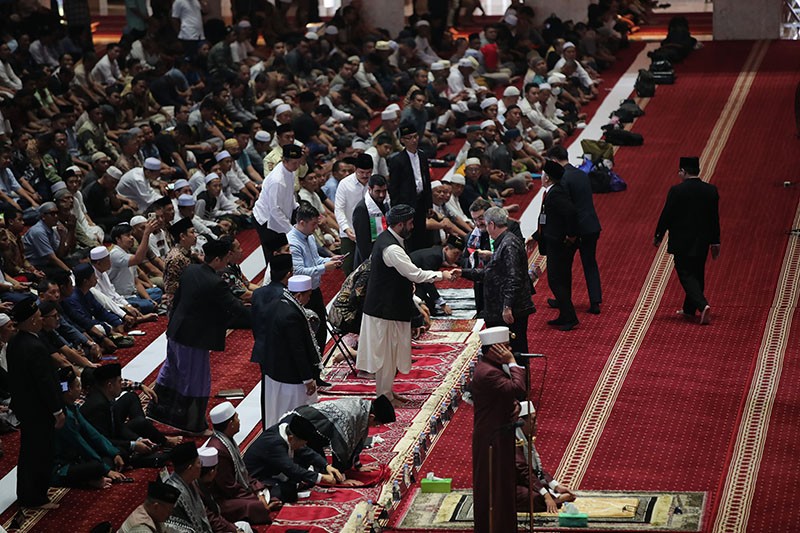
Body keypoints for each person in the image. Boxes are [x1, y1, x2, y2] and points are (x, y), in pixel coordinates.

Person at [357, 205, 458, 406]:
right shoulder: (392, 248)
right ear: (400, 224)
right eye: (410, 223)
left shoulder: (394, 240)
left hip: (391, 307)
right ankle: (384, 397)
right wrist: (442, 275)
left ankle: (388, 393)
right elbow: (415, 274)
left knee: (392, 354)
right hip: (384, 310)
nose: (412, 227)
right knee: (386, 356)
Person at [148, 239, 249, 435]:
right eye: (226, 257)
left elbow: (177, 300)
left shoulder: (191, 270)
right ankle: (193, 425)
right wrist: (261, 315)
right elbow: (235, 308)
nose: (228, 261)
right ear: (218, 259)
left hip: (176, 330)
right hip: (193, 338)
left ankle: (157, 411)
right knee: (196, 380)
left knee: (171, 370)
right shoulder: (215, 282)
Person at [7, 297, 65, 510]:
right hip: (39, 410)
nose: (41, 320)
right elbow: (45, 383)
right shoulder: (34, 346)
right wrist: (57, 410)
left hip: (25, 407)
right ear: (32, 320)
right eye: (39, 317)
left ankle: (29, 492)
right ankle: (35, 497)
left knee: (30, 452)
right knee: (40, 452)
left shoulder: (15, 342)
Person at [471, 326, 527, 533]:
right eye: (505, 347)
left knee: (503, 486)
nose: (509, 349)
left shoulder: (492, 368)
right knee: (495, 488)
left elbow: (509, 397)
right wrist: (512, 361)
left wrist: (515, 406)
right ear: (495, 349)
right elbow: (519, 389)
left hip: (500, 433)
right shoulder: (489, 373)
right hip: (492, 439)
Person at [654, 156, 720, 325]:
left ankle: (702, 304)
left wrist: (659, 235)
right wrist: (715, 241)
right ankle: (689, 309)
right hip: (703, 240)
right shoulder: (710, 190)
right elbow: (714, 219)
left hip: (682, 240)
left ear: (683, 171)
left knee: (685, 273)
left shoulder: (677, 191)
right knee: (698, 272)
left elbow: (666, 214)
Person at [462, 207, 535, 352]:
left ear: (492, 225)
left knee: (514, 348)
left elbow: (514, 278)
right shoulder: (505, 242)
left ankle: (518, 374)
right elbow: (490, 273)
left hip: (511, 308)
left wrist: (507, 306)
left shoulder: (508, 244)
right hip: (504, 306)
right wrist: (462, 272)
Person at [253, 274, 320, 429]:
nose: (309, 299)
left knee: (276, 409)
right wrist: (308, 379)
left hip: (274, 368)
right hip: (289, 375)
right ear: (299, 295)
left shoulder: (278, 303)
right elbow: (298, 349)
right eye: (308, 295)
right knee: (292, 414)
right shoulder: (292, 315)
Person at [80, 363, 177, 468]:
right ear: (109, 386)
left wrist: (138, 439)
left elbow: (119, 427)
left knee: (140, 422)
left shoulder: (105, 397)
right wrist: (132, 445)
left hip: (111, 437)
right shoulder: (97, 406)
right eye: (120, 381)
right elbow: (103, 440)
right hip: (99, 446)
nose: (122, 384)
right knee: (119, 455)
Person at [53, 366, 127, 490]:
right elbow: (80, 444)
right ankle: (89, 481)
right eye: (77, 386)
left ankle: (94, 476)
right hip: (60, 467)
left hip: (76, 458)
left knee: (116, 454)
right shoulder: (65, 416)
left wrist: (114, 452)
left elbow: (93, 433)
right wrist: (105, 469)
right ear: (69, 390)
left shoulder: (72, 408)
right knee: (97, 467)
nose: (81, 389)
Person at [547, 146, 602, 314]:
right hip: (592, 225)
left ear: (554, 161)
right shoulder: (581, 173)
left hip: (575, 230)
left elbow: (567, 209)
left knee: (563, 266)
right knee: (590, 263)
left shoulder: (563, 179)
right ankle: (595, 301)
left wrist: (569, 234)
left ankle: (564, 300)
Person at [206, 402, 278, 524]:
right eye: (237, 418)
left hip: (236, 490)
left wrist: (258, 491)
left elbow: (242, 473)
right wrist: (256, 498)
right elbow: (228, 487)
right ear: (230, 424)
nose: (239, 421)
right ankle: (263, 507)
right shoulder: (218, 450)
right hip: (221, 499)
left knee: (272, 489)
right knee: (254, 506)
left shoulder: (227, 441)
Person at [243, 414, 343, 502]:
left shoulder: (289, 433)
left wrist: (326, 466)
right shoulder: (275, 443)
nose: (302, 446)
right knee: (288, 493)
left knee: (304, 465)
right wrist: (322, 478)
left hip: (274, 469)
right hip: (256, 479)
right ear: (291, 438)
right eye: (302, 444)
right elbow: (291, 468)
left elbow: (306, 451)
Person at [287, 203, 345, 354]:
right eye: (313, 224)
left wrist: (330, 260)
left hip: (314, 289)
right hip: (302, 294)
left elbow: (316, 260)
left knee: (321, 330)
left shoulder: (309, 236)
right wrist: (325, 267)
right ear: (302, 223)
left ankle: (318, 366)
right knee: (309, 333)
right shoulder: (293, 242)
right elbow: (298, 271)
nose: (316, 228)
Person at [282, 395, 395, 472]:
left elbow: (356, 438)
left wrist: (358, 465)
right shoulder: (350, 416)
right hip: (298, 428)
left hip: (313, 426)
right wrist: (341, 476)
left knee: (325, 466)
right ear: (372, 417)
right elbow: (340, 444)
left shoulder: (363, 409)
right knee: (323, 472)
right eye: (377, 424)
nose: (376, 427)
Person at [532, 161, 579, 331]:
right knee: (561, 279)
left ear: (548, 178)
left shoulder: (556, 194)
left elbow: (571, 213)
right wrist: (535, 236)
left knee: (556, 280)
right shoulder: (552, 193)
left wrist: (571, 236)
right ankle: (565, 314)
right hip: (554, 241)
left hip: (559, 244)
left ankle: (570, 316)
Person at [514, 401, 575, 514]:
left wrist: (557, 486)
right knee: (535, 498)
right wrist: (547, 496)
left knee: (543, 489)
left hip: (522, 481)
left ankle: (555, 496)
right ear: (521, 422)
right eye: (533, 420)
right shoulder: (513, 442)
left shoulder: (525, 440)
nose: (536, 424)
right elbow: (523, 472)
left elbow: (537, 470)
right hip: (507, 485)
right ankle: (556, 499)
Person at [252, 144, 303, 267]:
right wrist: (290, 229)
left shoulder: (289, 171)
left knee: (284, 251)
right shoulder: (277, 180)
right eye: (294, 163)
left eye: (298, 162)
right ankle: (271, 281)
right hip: (266, 220)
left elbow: (290, 194)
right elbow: (275, 210)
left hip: (280, 216)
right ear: (284, 160)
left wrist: (297, 208)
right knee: (274, 256)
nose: (297, 166)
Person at [388, 126, 433, 251]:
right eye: (409, 138)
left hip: (421, 200)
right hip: (406, 203)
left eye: (415, 137)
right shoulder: (397, 160)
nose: (413, 140)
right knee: (408, 235)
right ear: (402, 140)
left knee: (421, 231)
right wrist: (396, 209)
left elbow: (427, 181)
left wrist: (429, 204)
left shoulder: (423, 156)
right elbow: (394, 187)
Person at [334, 153, 374, 274]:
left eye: (368, 172)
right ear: (355, 169)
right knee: (348, 267)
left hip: (371, 231)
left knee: (370, 265)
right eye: (361, 172)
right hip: (349, 232)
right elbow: (339, 209)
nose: (365, 176)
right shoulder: (344, 184)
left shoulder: (375, 182)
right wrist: (346, 229)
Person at [164, 443, 214, 532]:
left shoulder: (190, 481)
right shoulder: (174, 496)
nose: (201, 466)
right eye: (199, 462)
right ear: (190, 468)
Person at [410, 237, 464, 316]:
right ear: (446, 249)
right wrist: (442, 304)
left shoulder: (438, 252)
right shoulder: (435, 256)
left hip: (417, 280)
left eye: (459, 255)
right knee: (426, 307)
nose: (456, 258)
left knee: (431, 304)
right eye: (455, 254)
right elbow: (427, 281)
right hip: (407, 282)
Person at [351, 174, 390, 268]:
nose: (382, 195)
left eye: (384, 191)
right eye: (378, 191)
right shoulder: (362, 209)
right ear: (369, 189)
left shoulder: (384, 204)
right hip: (367, 258)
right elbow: (362, 242)